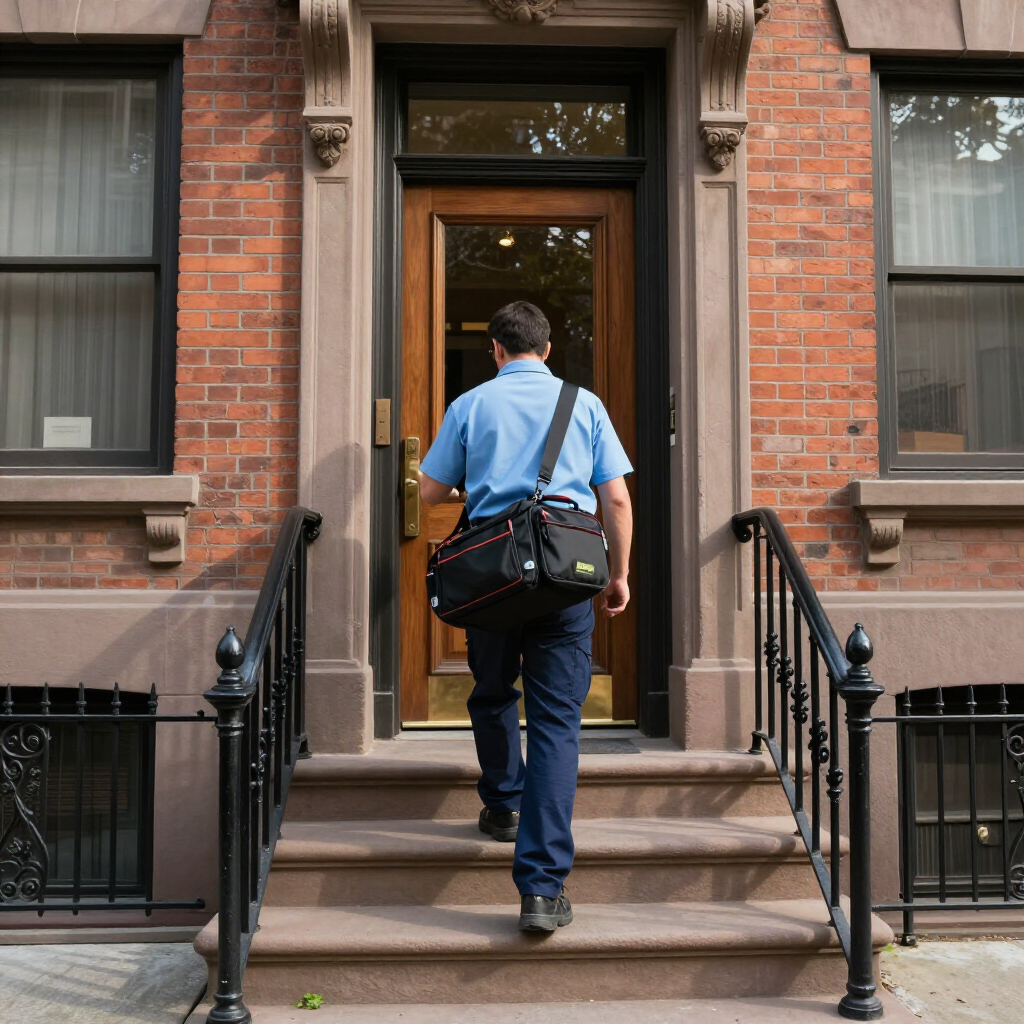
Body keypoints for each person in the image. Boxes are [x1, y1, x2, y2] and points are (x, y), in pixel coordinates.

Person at [418, 300, 633, 934]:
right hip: (566, 578)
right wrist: (619, 575)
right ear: (546, 348)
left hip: (491, 574)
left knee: (489, 693)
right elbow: (615, 496)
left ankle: (502, 804)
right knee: (557, 723)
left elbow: (428, 492)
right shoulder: (584, 403)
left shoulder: (471, 405)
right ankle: (541, 889)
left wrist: (470, 487)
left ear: (495, 349)